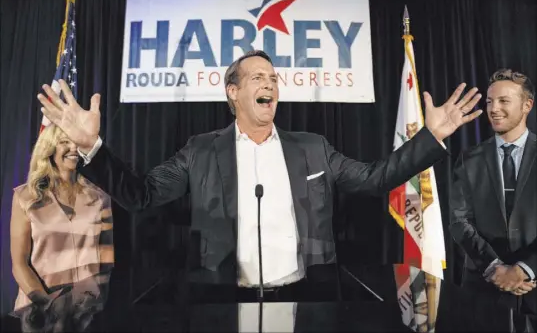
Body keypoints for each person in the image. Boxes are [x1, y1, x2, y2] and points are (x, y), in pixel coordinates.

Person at [38, 50, 481, 304]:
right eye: (258, 77)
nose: (270, 82)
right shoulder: (201, 150)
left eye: (273, 77)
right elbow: (142, 195)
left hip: (306, 296)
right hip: (223, 301)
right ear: (233, 92)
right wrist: (93, 148)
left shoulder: (312, 148)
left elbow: (372, 178)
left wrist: (431, 137)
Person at [449, 68, 537, 332]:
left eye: (503, 101)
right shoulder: (469, 159)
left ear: (527, 105)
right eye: (489, 101)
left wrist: (524, 269)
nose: (493, 109)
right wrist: (494, 268)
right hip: (483, 291)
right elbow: (458, 221)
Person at [10, 124, 114, 332]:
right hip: (38, 311)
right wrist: (45, 305)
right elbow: (19, 262)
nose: (73, 148)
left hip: (84, 312)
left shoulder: (100, 197)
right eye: (65, 142)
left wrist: (97, 296)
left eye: (77, 142)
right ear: (49, 148)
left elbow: (106, 255)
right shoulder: (25, 197)